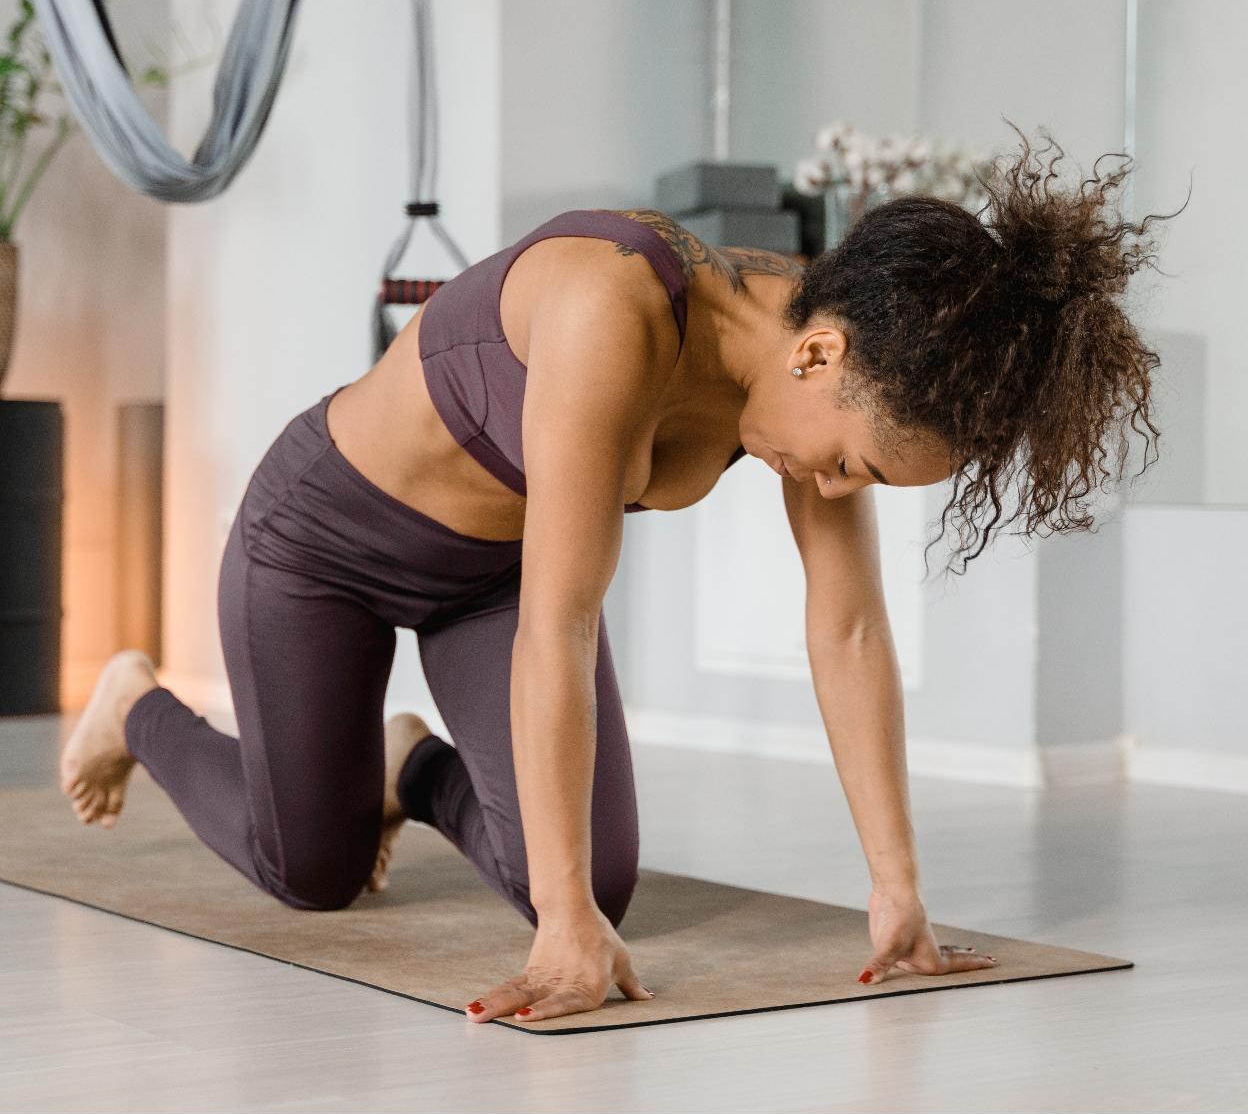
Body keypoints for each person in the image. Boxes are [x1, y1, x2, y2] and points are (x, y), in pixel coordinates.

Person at [59, 126, 1176, 1026]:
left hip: (489, 577)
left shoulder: (816, 356)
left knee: (603, 885)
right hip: (322, 544)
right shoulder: (615, 309)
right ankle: (139, 706)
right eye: (849, 463)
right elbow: (563, 622)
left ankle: (409, 769)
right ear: (820, 355)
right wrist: (558, 925)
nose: (836, 490)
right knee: (311, 870)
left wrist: (897, 890)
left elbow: (849, 632)